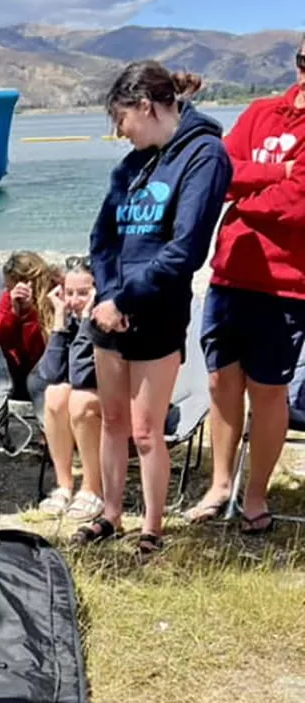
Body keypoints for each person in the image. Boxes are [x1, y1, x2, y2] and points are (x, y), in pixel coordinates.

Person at [74, 62, 233, 555]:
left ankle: (153, 529)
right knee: (113, 421)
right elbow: (103, 236)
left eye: (122, 119)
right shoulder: (131, 163)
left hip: (157, 312)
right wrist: (106, 297)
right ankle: (111, 514)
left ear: (147, 106)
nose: (119, 132)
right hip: (110, 313)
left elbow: (186, 249)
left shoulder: (204, 156)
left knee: (146, 432)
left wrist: (127, 298)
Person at [184, 36, 305, 534]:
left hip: (288, 283)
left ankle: (254, 495)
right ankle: (218, 485)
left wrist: (247, 202)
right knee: (219, 383)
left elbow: (298, 206)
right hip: (231, 272)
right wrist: (277, 171)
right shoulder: (261, 112)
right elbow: (221, 169)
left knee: (269, 391)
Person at [30, 256, 103, 521]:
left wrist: (86, 322)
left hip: (122, 404)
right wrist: (60, 318)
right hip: (87, 399)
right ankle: (64, 485)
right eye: (69, 292)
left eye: (83, 293)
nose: (73, 300)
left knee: (79, 399)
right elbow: (50, 373)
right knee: (54, 394)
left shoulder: (107, 322)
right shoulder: (71, 318)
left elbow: (82, 375)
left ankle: (92, 488)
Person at [0, 251, 58, 400]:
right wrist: (15, 313)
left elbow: (46, 346)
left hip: (47, 369)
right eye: (9, 287)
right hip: (19, 371)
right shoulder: (9, 297)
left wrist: (30, 314)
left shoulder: (55, 295)